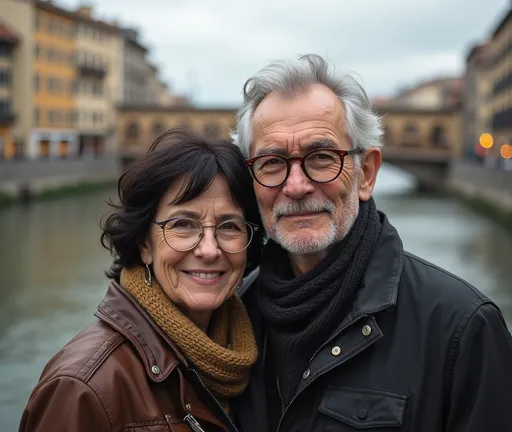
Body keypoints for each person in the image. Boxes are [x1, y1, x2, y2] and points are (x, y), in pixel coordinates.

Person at [231, 54, 512, 432]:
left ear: (366, 173)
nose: (296, 186)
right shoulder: (231, 316)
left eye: (322, 157)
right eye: (272, 163)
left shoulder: (461, 327)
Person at [19, 128, 264, 432]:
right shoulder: (83, 388)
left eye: (229, 226)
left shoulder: (246, 353)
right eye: (183, 224)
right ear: (144, 244)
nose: (209, 250)